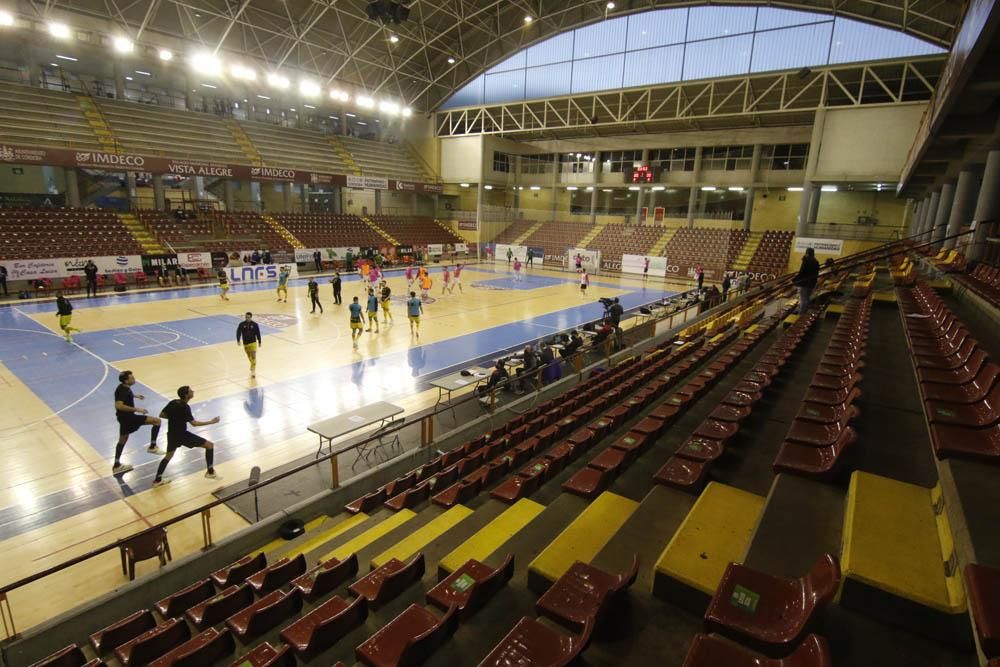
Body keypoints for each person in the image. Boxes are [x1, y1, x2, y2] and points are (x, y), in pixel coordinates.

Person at [152, 386, 221, 486]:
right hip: (183, 435)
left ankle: (157, 480)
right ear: (186, 395)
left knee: (168, 456)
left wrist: (174, 418)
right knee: (209, 445)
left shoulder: (173, 402)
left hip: (172, 435)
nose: (193, 391)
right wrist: (211, 422)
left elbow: (161, 415)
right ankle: (210, 472)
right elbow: (194, 423)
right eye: (190, 391)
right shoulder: (185, 407)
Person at [112, 370, 164, 475]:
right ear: (126, 381)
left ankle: (116, 465)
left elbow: (123, 397)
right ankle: (152, 447)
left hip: (124, 418)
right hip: (128, 418)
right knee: (157, 421)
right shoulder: (123, 390)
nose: (134, 379)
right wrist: (137, 409)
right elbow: (118, 405)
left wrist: (135, 396)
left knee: (122, 440)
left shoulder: (123, 387)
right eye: (132, 378)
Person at [793, 247, 820, 314]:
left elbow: (802, 272)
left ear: (807, 253)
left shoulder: (806, 260)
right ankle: (804, 311)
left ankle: (801, 314)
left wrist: (795, 280)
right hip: (812, 283)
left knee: (803, 299)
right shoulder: (816, 261)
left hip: (805, 283)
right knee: (807, 297)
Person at [236, 312, 262, 377]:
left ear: (251, 317)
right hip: (245, 343)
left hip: (253, 342)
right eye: (246, 317)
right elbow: (238, 332)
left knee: (253, 356)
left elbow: (258, 333)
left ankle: (253, 370)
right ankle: (252, 365)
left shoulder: (255, 324)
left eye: (248, 317)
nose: (247, 318)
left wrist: (259, 341)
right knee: (249, 356)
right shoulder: (241, 324)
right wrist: (238, 340)